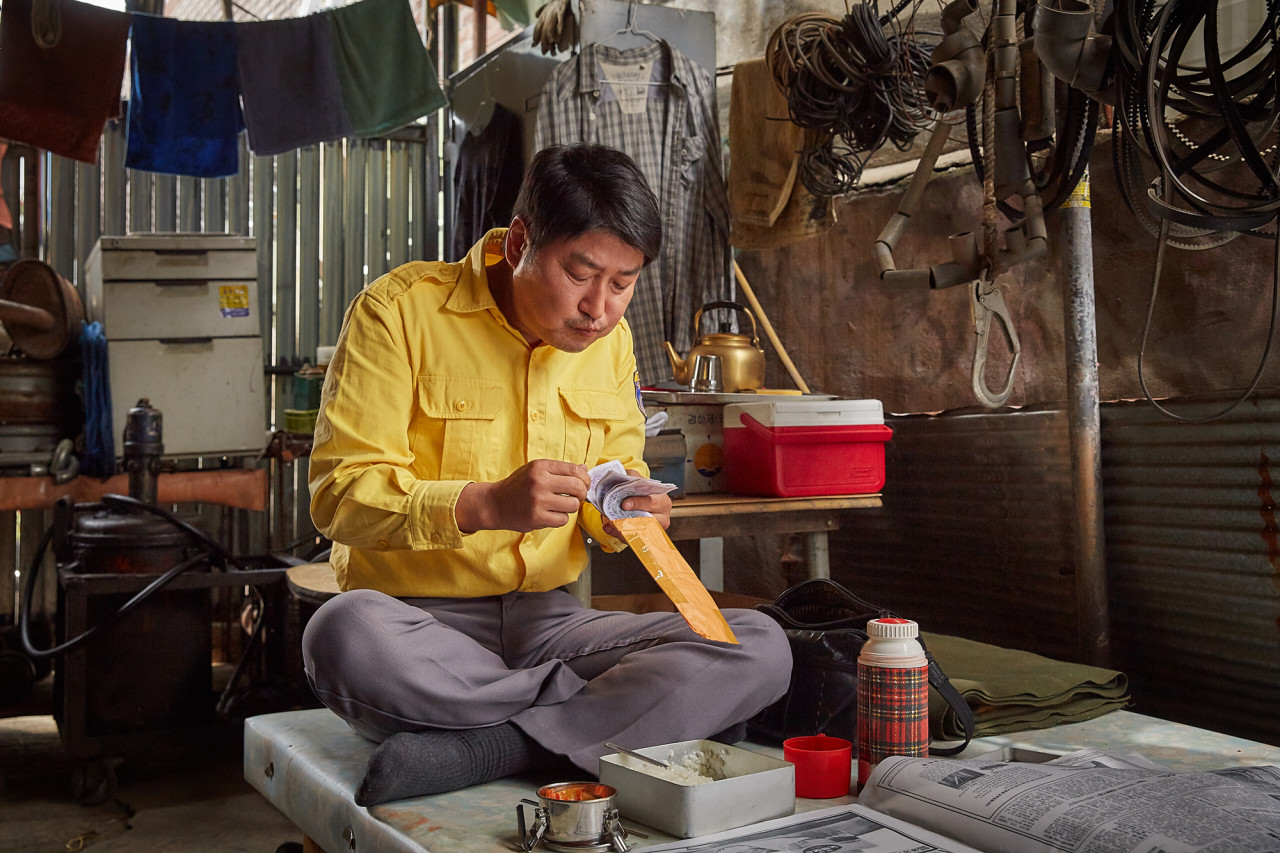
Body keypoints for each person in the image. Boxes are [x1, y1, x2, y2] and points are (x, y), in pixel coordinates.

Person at [302, 142, 792, 806]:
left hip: (551, 625)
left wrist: (627, 510)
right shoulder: (398, 313)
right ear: (519, 243)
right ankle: (615, 718)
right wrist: (483, 504)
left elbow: (613, 473)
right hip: (417, 625)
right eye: (581, 273)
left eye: (622, 283)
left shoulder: (609, 345)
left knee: (760, 641)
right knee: (340, 634)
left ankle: (496, 744)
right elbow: (339, 496)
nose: (600, 308)